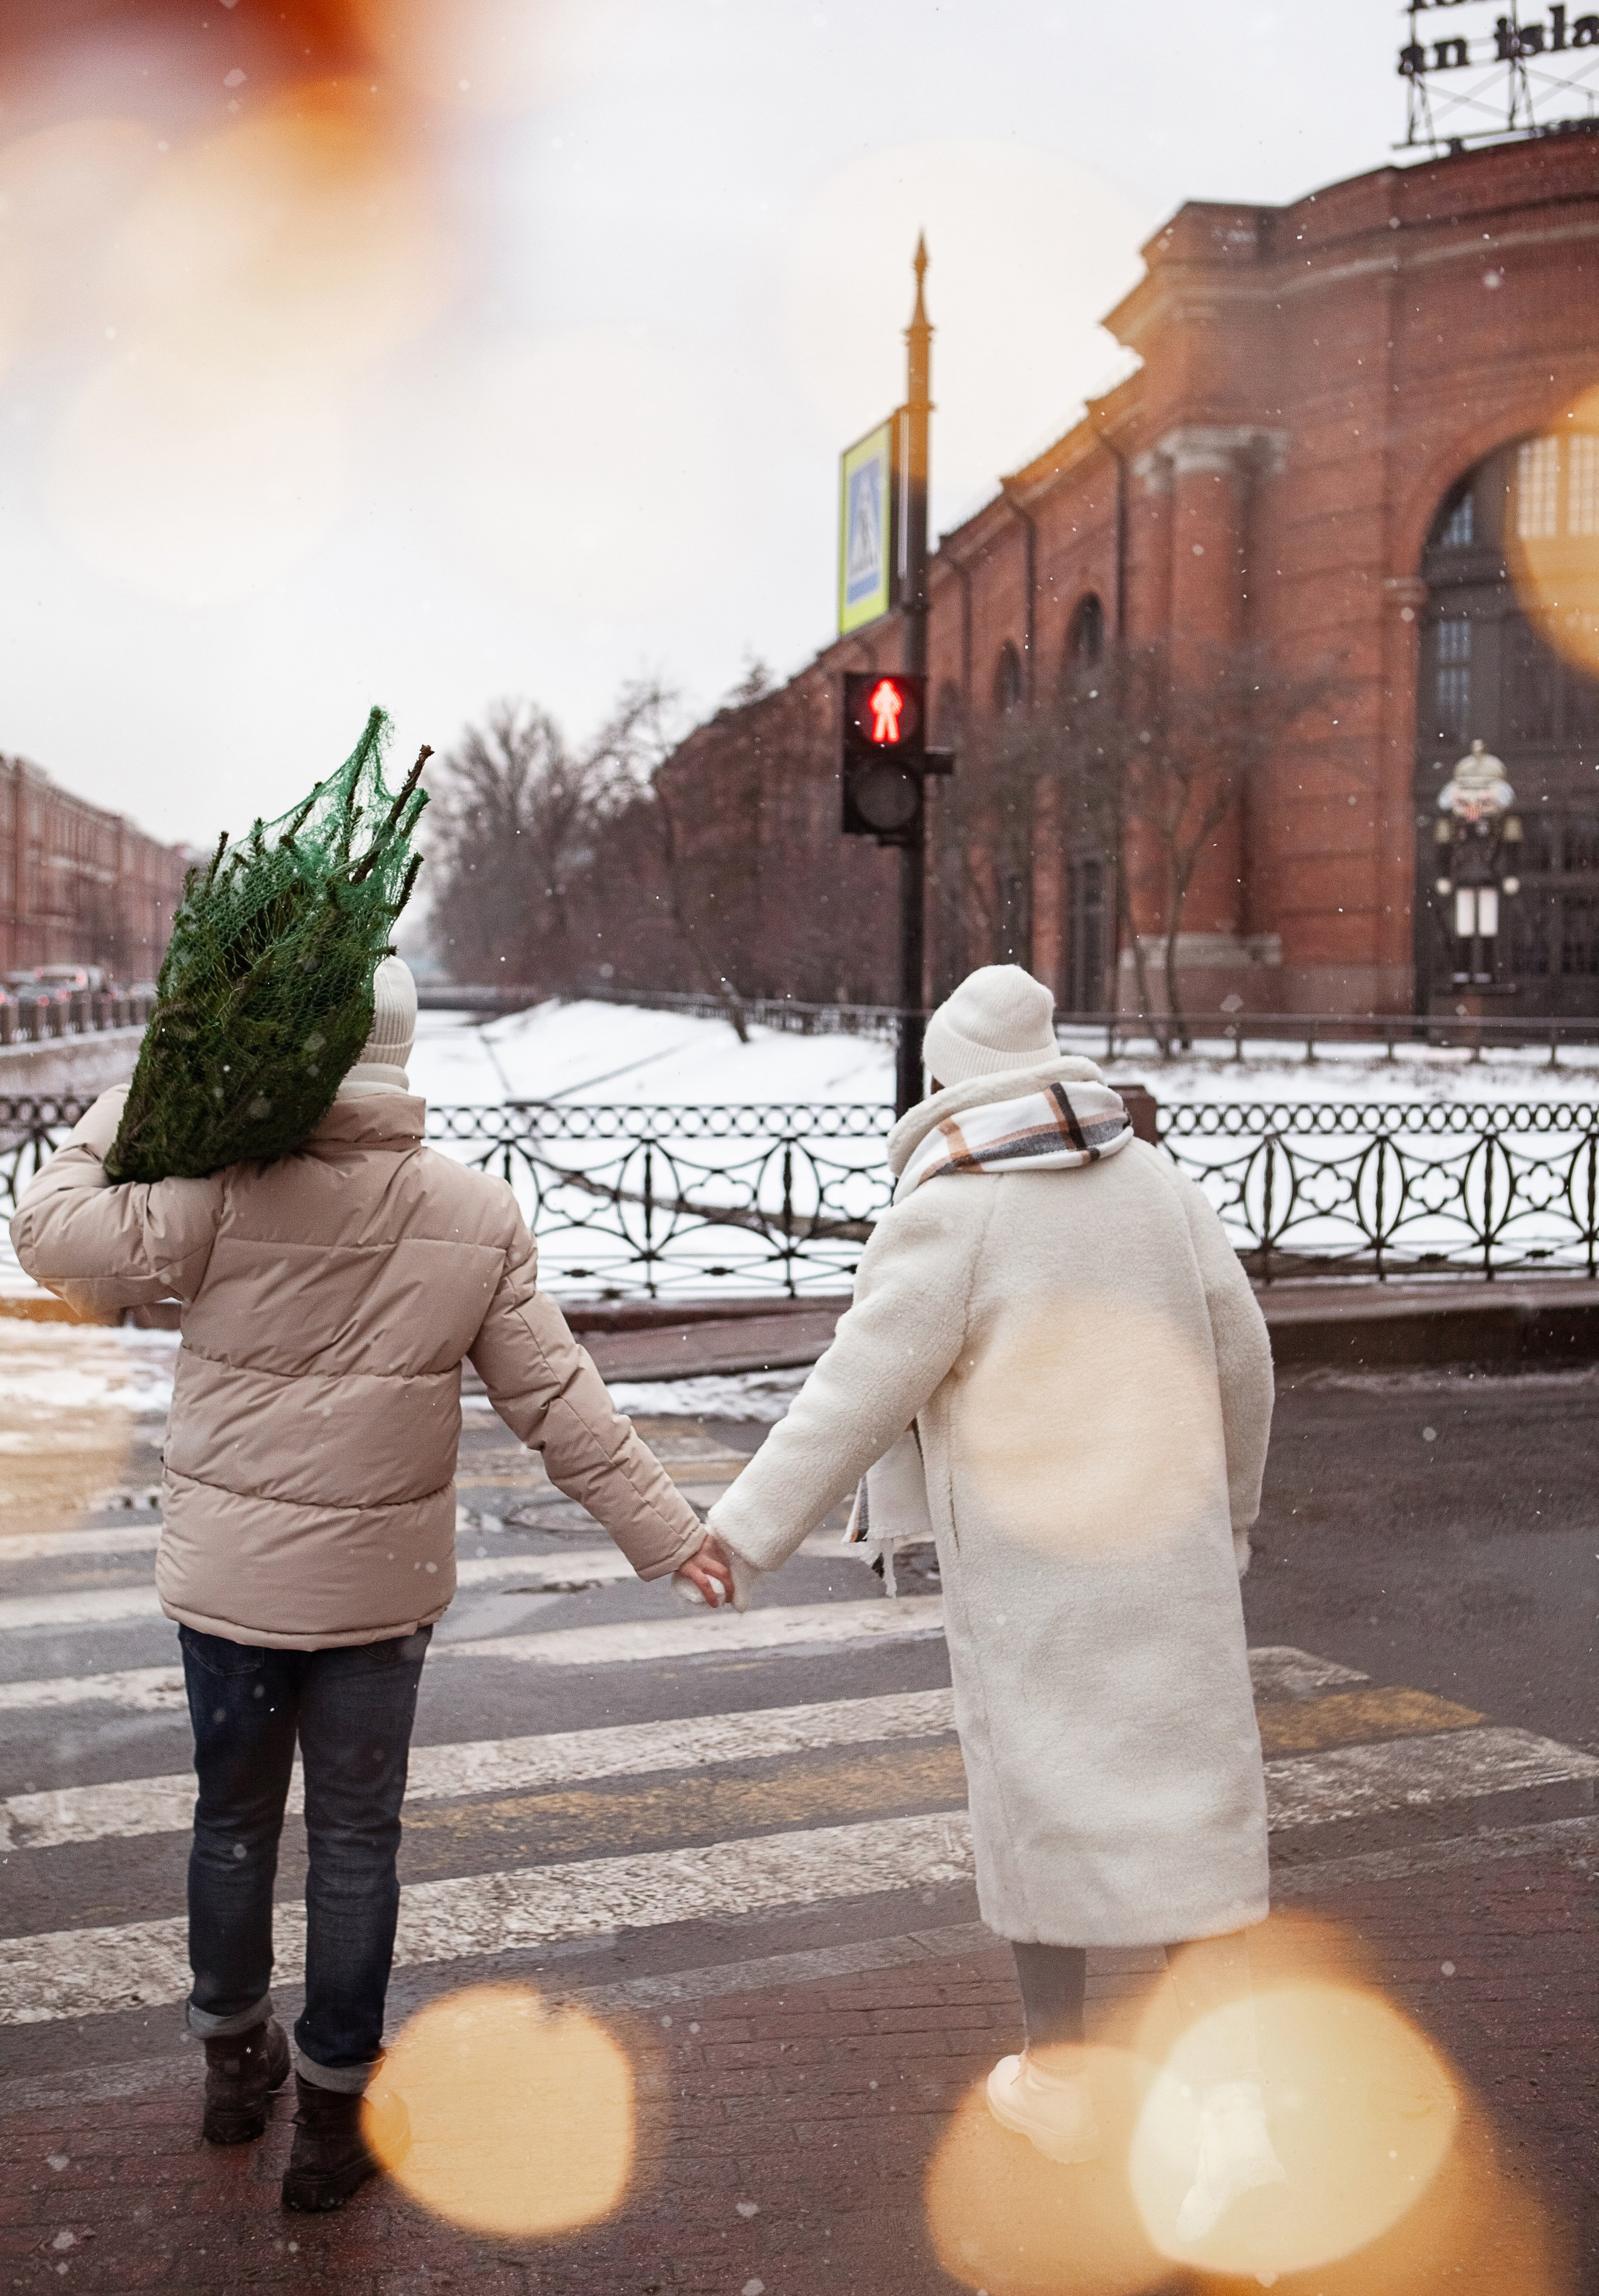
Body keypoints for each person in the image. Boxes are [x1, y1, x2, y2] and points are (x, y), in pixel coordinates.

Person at [11, 957, 735, 2212]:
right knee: (355, 1847)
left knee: (231, 1828)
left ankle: (237, 2066)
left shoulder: (222, 1193)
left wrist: (150, 1088)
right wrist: (665, 1531)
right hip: (375, 1598)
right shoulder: (473, 1214)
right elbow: (558, 1404)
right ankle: (334, 2119)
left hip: (229, 1598)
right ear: (402, 1061)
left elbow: (46, 1232)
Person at [706, 965, 1285, 2239]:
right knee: (1190, 1813)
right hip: (1169, 1560)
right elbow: (1243, 1358)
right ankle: (1231, 2119)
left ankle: (1064, 2084)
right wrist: (1228, 1515)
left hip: (1033, 1583)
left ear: (945, 1078)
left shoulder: (956, 1211)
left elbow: (851, 1393)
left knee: (1045, 1812)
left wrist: (739, 1537)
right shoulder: (1155, 1185)